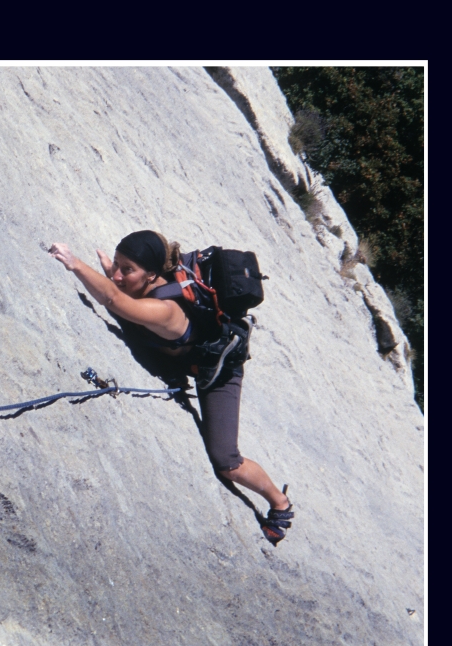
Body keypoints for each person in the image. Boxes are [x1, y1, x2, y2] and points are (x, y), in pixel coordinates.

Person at [48, 230, 294, 544]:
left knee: (226, 460)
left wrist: (75, 264)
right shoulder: (149, 282)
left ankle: (279, 503)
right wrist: (117, 275)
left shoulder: (165, 310)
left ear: (152, 274)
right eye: (117, 264)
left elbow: (113, 300)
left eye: (128, 269)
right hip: (182, 355)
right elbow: (118, 294)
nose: (118, 274)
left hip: (218, 372)